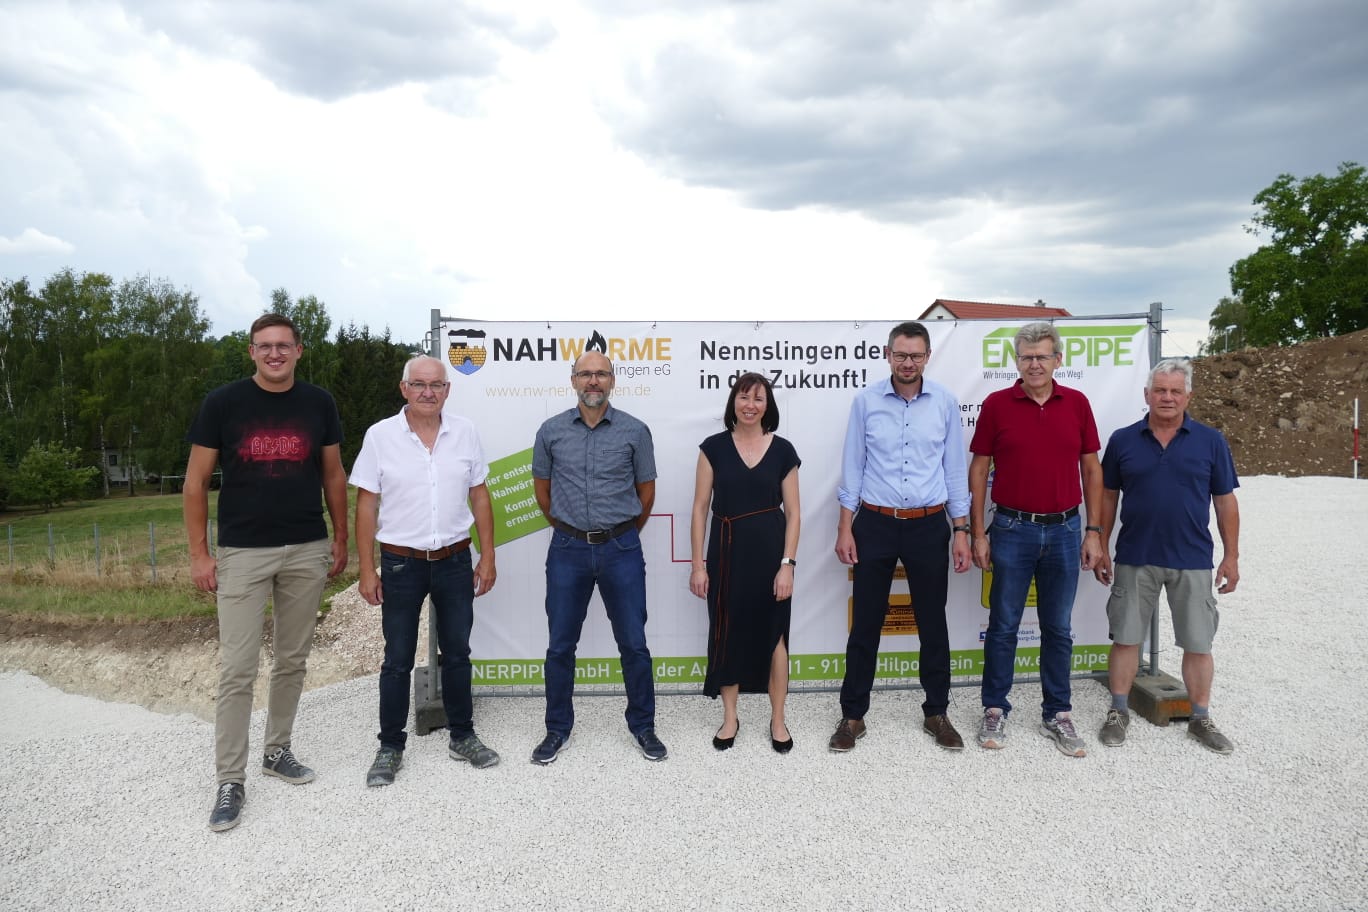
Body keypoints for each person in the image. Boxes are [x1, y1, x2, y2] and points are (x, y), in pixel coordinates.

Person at [184, 313, 348, 832]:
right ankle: (229, 779)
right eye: (264, 346)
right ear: (252, 352)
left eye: (283, 345)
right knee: (237, 669)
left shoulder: (319, 403)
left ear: (299, 350)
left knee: (292, 660)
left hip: (306, 547)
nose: (274, 353)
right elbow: (195, 481)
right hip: (242, 552)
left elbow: (333, 474)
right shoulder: (223, 403)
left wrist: (340, 537)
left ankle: (277, 751)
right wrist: (199, 555)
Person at [350, 355, 500, 787]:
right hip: (401, 563)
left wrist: (487, 556)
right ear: (404, 389)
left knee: (458, 653)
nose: (428, 392)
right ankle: (389, 746)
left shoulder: (465, 432)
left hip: (455, 560)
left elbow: (480, 496)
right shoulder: (380, 436)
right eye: (418, 384)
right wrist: (367, 569)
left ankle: (463, 736)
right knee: (397, 659)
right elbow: (366, 504)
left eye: (436, 385)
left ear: (447, 390)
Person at [831, 321, 972, 753]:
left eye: (915, 355)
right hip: (874, 524)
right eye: (900, 354)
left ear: (927, 357)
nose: (907, 362)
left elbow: (954, 470)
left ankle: (937, 713)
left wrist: (961, 530)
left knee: (933, 623)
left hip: (928, 526)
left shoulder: (944, 402)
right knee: (865, 623)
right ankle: (853, 716)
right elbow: (853, 466)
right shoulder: (866, 402)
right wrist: (845, 526)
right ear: (887, 355)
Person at [968, 321, 1108, 758]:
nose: (1034, 364)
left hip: (1066, 530)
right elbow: (978, 470)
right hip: (1011, 529)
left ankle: (1058, 713)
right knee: (1003, 625)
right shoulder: (996, 405)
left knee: (1058, 628)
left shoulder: (1077, 403)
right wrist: (977, 532)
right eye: (1026, 357)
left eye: (1042, 356)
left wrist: (1094, 531)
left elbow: (1092, 470)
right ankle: (995, 708)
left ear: (1057, 360)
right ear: (1017, 361)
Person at [1094, 358, 1240, 753]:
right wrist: (1101, 544)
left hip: (1192, 558)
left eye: (1176, 391)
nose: (1167, 397)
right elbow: (1107, 496)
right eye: (1160, 390)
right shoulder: (1123, 440)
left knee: (1198, 643)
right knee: (1126, 639)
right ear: (1147, 394)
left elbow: (1225, 501)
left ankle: (1200, 718)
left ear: (1188, 396)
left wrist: (1231, 556)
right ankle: (1118, 711)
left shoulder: (1211, 441)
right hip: (1135, 555)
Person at [530, 349, 666, 764]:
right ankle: (556, 729)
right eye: (585, 374)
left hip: (621, 549)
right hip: (567, 549)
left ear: (612, 381)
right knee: (560, 646)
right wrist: (569, 529)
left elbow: (646, 492)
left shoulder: (635, 431)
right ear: (573, 380)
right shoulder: (551, 431)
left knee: (634, 643)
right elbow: (542, 491)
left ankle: (643, 726)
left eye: (601, 374)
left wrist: (621, 534)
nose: (593, 381)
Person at [689, 372, 802, 753]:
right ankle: (730, 717)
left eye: (758, 398)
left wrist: (787, 564)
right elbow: (699, 509)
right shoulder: (713, 448)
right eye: (743, 397)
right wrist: (698, 565)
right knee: (727, 634)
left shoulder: (783, 451)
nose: (750, 405)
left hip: (771, 555)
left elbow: (794, 513)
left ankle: (778, 718)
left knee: (776, 635)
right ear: (733, 402)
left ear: (768, 405)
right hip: (726, 553)